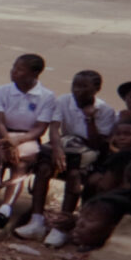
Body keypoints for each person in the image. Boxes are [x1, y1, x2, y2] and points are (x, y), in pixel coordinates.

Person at [0, 53, 60, 233]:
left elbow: (40, 128)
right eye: (14, 67)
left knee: (21, 161)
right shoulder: (2, 90)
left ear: (34, 74)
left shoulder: (46, 96)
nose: (14, 72)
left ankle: (5, 208)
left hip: (28, 137)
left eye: (20, 69)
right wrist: (8, 140)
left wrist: (18, 141)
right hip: (4, 134)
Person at [42, 69, 117, 236]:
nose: (77, 90)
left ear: (96, 89)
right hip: (66, 146)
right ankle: (36, 218)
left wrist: (89, 119)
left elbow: (97, 144)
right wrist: (57, 149)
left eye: (83, 87)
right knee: (43, 167)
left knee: (74, 174)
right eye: (75, 85)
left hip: (90, 152)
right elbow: (54, 128)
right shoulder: (63, 100)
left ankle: (63, 223)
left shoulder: (105, 110)